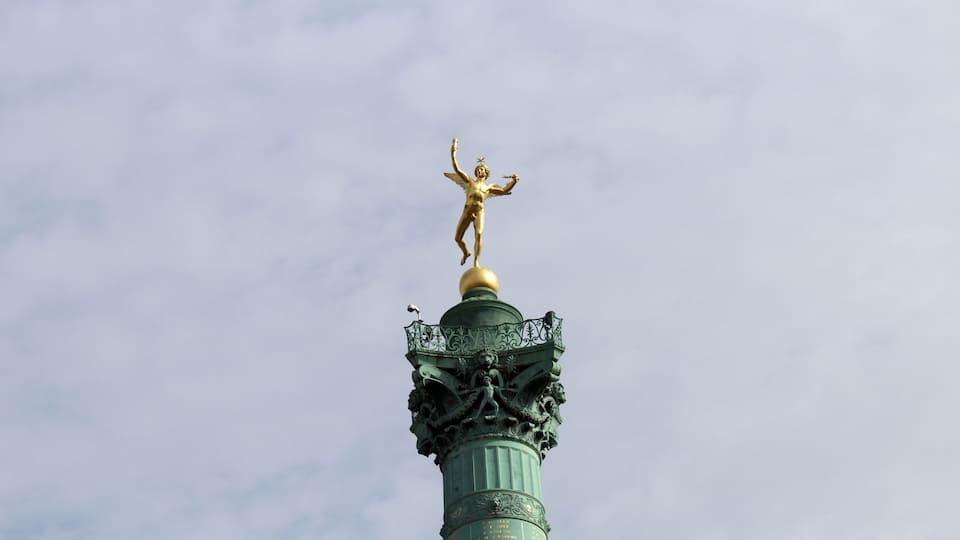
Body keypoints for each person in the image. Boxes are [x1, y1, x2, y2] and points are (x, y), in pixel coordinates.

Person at [444, 138, 519, 266]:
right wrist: (453, 153)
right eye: (478, 169)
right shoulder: (470, 182)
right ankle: (466, 253)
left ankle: (476, 261)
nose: (480, 171)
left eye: (482, 169)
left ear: (486, 173)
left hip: (479, 211)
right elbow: (457, 169)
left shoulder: (489, 187)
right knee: (457, 238)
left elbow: (503, 190)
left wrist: (514, 182)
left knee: (478, 234)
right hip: (467, 211)